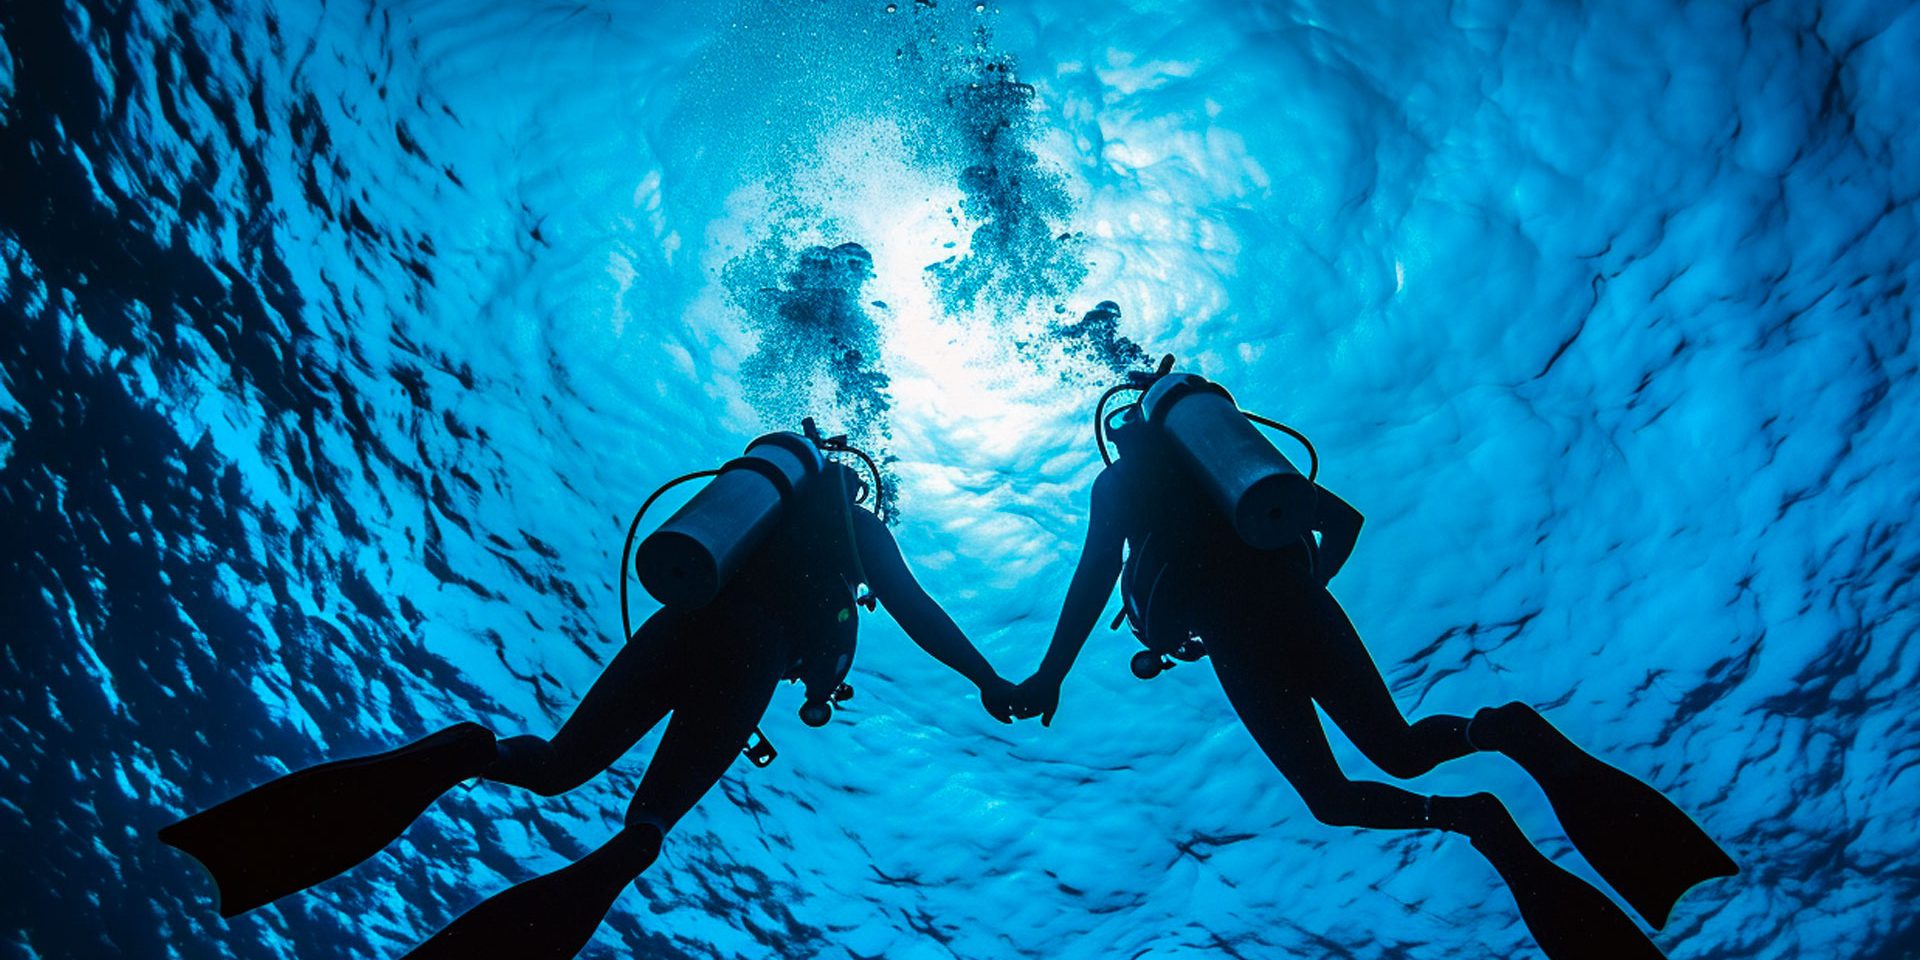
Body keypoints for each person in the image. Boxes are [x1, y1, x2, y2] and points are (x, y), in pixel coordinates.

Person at [161, 427, 1016, 959]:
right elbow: (913, 610)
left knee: (556, 766)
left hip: (682, 619)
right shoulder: (857, 531)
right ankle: (616, 857)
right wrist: (990, 678)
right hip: (753, 655)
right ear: (862, 488)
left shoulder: (755, 514)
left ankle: (470, 752)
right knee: (643, 828)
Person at [1009, 359, 1735, 960]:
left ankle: (1474, 819)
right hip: (1299, 601)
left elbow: (1098, 570)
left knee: (1331, 796)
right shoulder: (1233, 464)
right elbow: (1344, 522)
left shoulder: (1121, 481)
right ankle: (1500, 730)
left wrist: (1051, 673)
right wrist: (1302, 589)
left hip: (1235, 637)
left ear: (1121, 433)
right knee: (1401, 747)